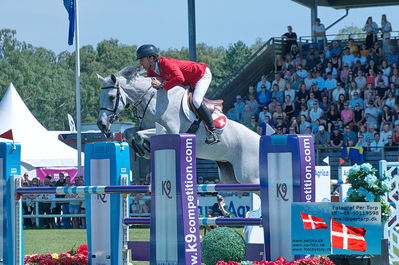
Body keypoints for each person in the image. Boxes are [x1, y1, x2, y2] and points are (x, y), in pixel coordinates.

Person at [136, 44, 219, 144]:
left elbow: (180, 78)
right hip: (186, 81)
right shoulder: (151, 71)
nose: (140, 63)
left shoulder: (165, 63)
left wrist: (162, 85)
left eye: (142, 60)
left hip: (201, 75)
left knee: (196, 101)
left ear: (151, 58)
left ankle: (213, 132)